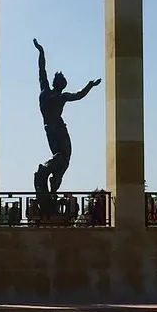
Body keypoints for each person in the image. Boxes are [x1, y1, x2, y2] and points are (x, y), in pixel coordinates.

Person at [32, 38, 100, 199]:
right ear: (62, 85)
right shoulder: (61, 97)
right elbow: (79, 95)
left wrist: (41, 52)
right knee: (64, 157)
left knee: (60, 157)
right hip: (58, 129)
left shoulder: (45, 90)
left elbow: (42, 69)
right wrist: (90, 86)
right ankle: (52, 180)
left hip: (49, 128)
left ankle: (52, 183)